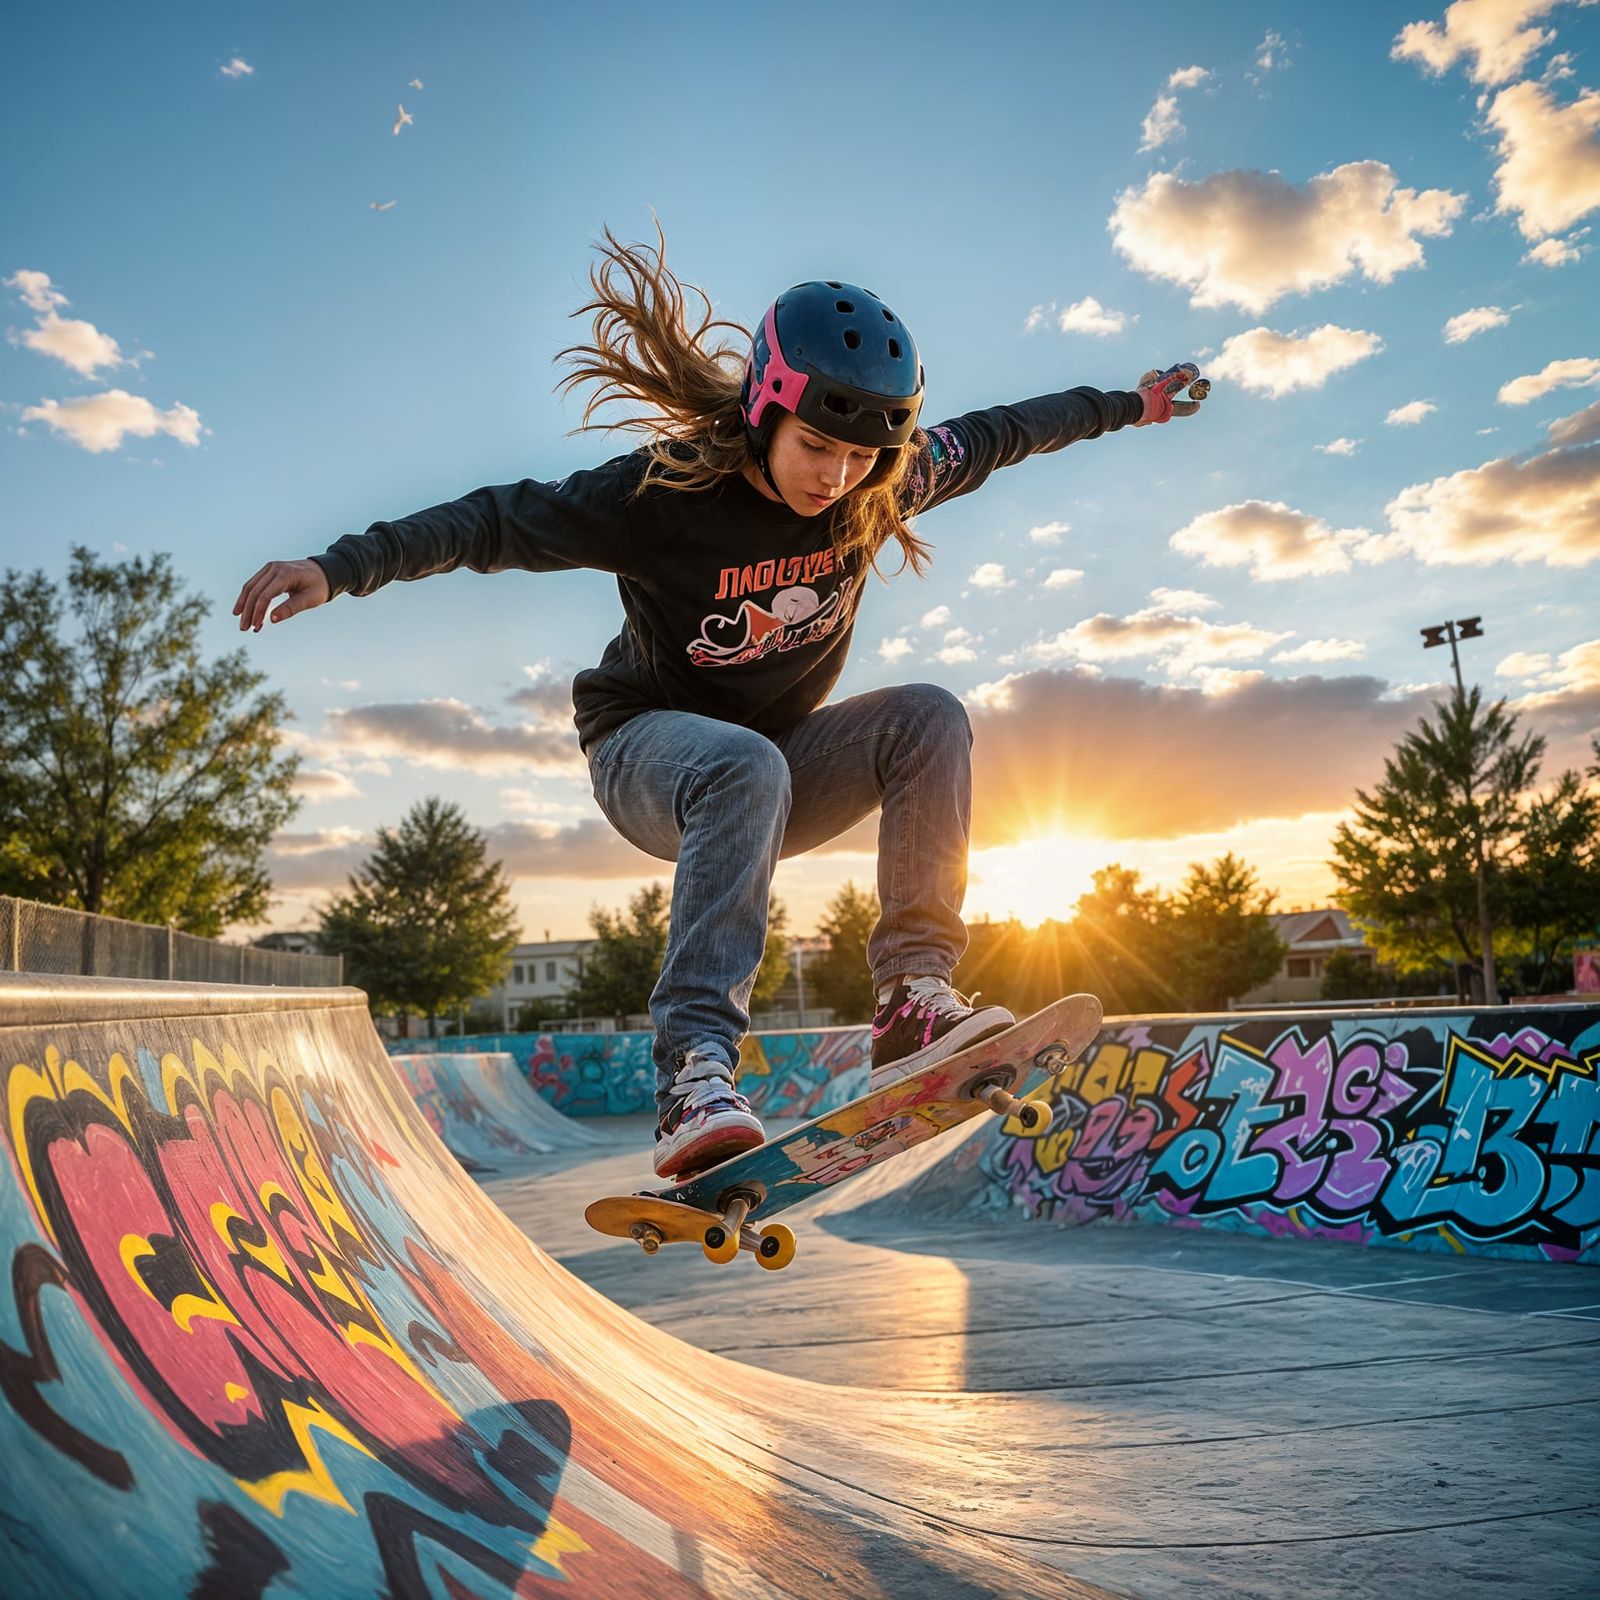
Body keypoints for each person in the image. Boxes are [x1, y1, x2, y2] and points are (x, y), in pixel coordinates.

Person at [233, 227, 1204, 1182]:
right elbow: (492, 521)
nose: (836, 477)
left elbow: (1014, 429)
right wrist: (339, 566)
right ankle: (694, 1071)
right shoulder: (662, 494)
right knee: (746, 762)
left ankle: (913, 997)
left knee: (927, 717)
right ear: (766, 410)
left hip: (780, 767)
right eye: (816, 446)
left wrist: (1137, 403)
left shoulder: (881, 482)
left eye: (861, 457)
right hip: (646, 756)